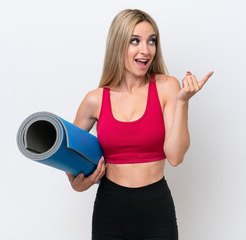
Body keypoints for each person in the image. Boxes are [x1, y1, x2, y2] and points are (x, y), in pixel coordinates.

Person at [65, 9, 213, 240]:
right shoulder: (95, 99)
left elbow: (175, 157)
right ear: (118, 44)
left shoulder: (167, 87)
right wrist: (77, 184)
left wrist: (182, 102)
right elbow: (66, 148)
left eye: (151, 41)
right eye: (135, 41)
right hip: (109, 209)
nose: (146, 50)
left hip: (157, 208)